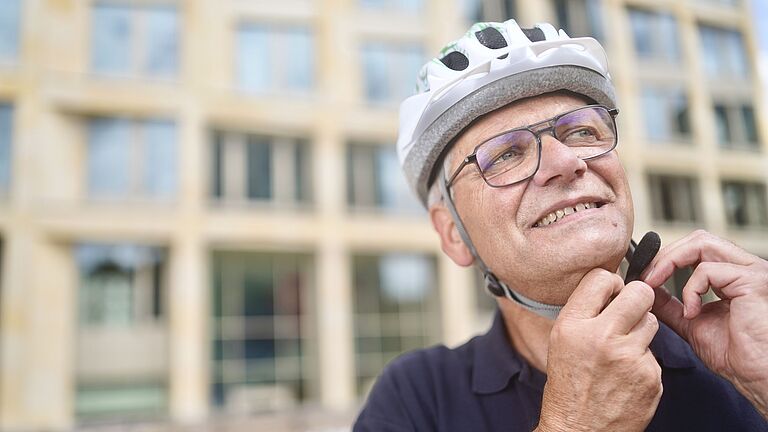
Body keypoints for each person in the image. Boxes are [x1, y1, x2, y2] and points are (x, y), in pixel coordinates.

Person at [353, 19, 768, 431]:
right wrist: (575, 424)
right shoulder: (416, 399)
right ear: (451, 233)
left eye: (582, 130)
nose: (566, 161)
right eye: (504, 155)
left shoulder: (735, 349)